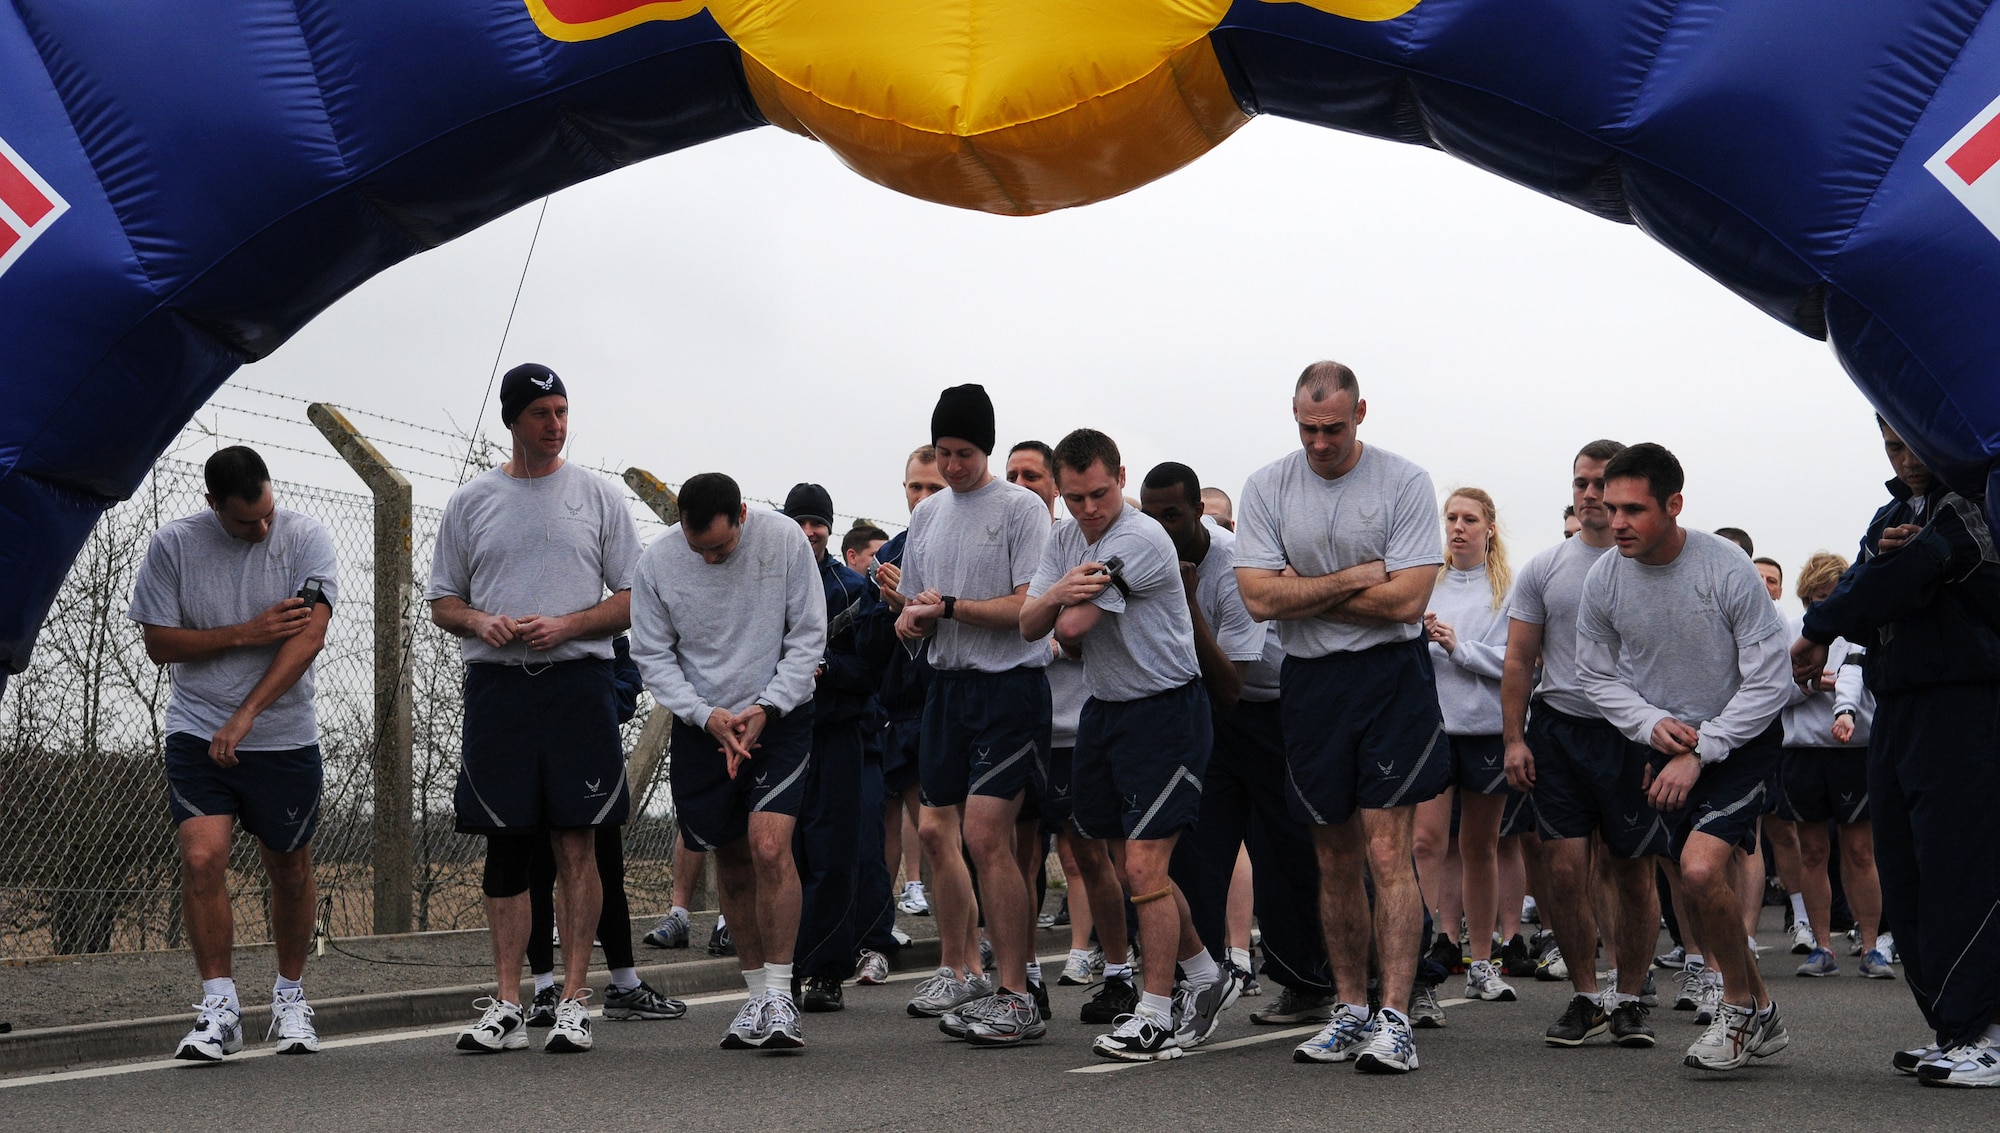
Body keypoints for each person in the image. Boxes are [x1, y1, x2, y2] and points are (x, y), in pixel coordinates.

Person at [1235, 361, 1448, 1075]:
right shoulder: (1267, 485)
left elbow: (1407, 602)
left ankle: (1396, 1018)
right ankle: (1350, 1009)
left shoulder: (1404, 481)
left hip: (1390, 678)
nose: (1320, 443)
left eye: (1332, 428)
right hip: (1310, 682)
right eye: (1308, 429)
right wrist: (1360, 574)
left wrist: (1305, 591)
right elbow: (1258, 599)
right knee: (1332, 855)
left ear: (1360, 412)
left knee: (1389, 853)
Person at [427, 364, 639, 1055]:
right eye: (542, 412)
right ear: (513, 420)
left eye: (562, 411)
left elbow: (633, 597)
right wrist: (479, 621)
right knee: (506, 845)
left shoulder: (599, 496)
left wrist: (569, 624)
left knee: (578, 842)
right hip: (500, 690)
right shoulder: (471, 502)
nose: (556, 425)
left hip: (579, 685)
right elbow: (442, 600)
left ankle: (575, 1000)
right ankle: (508, 1004)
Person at [1791, 417, 2000, 1086]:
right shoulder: (1888, 515)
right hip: (1898, 707)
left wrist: (1822, 624)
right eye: (1892, 446)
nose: (1906, 459)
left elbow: (1896, 578)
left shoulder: (1975, 500)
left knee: (1961, 868)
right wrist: (1862, 586)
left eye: (1915, 442)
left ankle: (1987, 1031)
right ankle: (1955, 1026)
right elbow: (1858, 586)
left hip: (1965, 703)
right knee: (1905, 871)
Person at [1575, 443, 1791, 1073]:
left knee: (1697, 873)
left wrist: (1704, 746)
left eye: (1633, 510)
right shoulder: (1605, 578)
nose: (1616, 521)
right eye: (1611, 507)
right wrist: (1650, 724)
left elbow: (1770, 679)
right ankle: (1763, 1009)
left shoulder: (1726, 568)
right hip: (1664, 746)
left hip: (1740, 740)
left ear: (1674, 505)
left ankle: (1737, 1008)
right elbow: (1595, 674)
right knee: (1697, 883)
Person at [1023, 430, 1232, 1060]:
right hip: (1105, 708)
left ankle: (1154, 1011)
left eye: (1100, 493)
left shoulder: (1140, 539)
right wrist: (1057, 591)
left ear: (1120, 477)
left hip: (1165, 710)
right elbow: (1029, 623)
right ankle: (1205, 973)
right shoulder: (1063, 539)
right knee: (1122, 866)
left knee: (1145, 868)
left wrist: (1056, 598)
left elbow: (1070, 626)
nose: (1089, 508)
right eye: (1075, 497)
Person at [129, 445, 336, 1061]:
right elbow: (159, 644)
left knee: (289, 869)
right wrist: (245, 633)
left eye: (268, 512)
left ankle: (290, 997)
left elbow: (310, 636)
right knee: (201, 859)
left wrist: (246, 715)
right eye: (247, 522)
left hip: (283, 736)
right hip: (197, 729)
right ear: (213, 504)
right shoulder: (173, 545)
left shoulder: (306, 538)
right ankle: (220, 1010)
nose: (263, 528)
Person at [630, 472, 825, 1050]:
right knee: (732, 859)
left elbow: (808, 635)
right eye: (699, 550)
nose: (710, 560)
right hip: (703, 725)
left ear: (742, 514)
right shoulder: (657, 562)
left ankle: (782, 995)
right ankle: (756, 993)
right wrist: (703, 714)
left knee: (769, 846)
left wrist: (768, 706)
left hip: (778, 716)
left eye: (720, 547)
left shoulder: (784, 540)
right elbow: (651, 654)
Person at [1142, 461, 1337, 1029]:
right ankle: (1195, 983)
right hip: (1208, 712)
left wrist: (1187, 601)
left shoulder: (1231, 563)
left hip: (1272, 709)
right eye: (1151, 517)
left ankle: (1310, 981)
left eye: (1172, 515)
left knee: (1289, 853)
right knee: (1195, 851)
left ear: (1199, 512)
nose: (1161, 529)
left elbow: (1232, 685)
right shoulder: (1147, 555)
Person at [889, 385, 1052, 1042]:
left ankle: (1018, 993)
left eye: (964, 453)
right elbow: (913, 610)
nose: (952, 466)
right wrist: (911, 620)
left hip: (1009, 688)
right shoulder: (928, 516)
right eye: (943, 453)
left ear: (985, 448)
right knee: (936, 832)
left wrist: (950, 607)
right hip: (946, 689)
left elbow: (1029, 609)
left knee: (987, 836)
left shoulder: (1021, 509)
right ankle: (961, 971)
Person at [1502, 439, 1664, 1050]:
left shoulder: (1652, 565)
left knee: (1633, 871)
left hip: (1633, 735)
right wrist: (1514, 740)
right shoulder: (1545, 568)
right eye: (1582, 484)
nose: (1591, 495)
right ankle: (1586, 996)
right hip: (1560, 730)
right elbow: (1519, 660)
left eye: (1602, 484)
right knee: (1564, 871)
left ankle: (1630, 998)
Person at [1009, 441, 1122, 1014]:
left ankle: (1110, 965)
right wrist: (1050, 603)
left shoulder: (1093, 538)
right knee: (1018, 854)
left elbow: (1071, 634)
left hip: (1080, 725)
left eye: (1032, 475)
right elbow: (1027, 623)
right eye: (1012, 474)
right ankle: (1024, 976)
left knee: (1087, 854)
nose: (1022, 485)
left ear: (1053, 486)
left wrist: (1051, 627)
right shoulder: (1032, 545)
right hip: (1026, 724)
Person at [524, 637, 686, 1027]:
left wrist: (588, 700)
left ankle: (624, 985)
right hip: (535, 754)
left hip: (590, 754)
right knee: (535, 871)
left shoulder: (607, 635)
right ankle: (543, 989)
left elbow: (627, 690)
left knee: (606, 868)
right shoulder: (529, 634)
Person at [1419, 488, 1524, 1005]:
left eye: (1469, 519)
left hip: (1485, 729)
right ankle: (1417, 957)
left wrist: (1458, 647)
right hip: (1432, 728)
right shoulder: (1427, 581)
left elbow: (1519, 663)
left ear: (1489, 527)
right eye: (1451, 518)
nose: (1457, 527)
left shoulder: (1509, 587)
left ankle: (1481, 961)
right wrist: (1417, 636)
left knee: (1480, 847)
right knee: (1425, 844)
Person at [781, 482, 882, 1011]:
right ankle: (782, 972)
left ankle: (825, 972)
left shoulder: (854, 590)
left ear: (830, 527)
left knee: (832, 856)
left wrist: (827, 667)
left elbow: (871, 670)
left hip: (837, 734)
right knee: (780, 854)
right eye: (799, 521)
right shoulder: (764, 583)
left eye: (817, 522)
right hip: (779, 736)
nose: (809, 532)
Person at [1775, 552, 1890, 980]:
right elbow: (1772, 691)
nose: (1823, 606)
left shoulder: (1862, 632)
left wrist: (1844, 703)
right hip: (1803, 752)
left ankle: (1872, 946)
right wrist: (1810, 685)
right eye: (1817, 598)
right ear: (1806, 597)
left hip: (1855, 750)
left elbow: (1867, 684)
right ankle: (1822, 947)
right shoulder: (1790, 632)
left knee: (1860, 851)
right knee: (1813, 852)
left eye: (1832, 596)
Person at [874, 448, 949, 924]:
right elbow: (874, 639)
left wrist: (914, 604)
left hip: (938, 701)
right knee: (884, 817)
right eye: (915, 487)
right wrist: (888, 607)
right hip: (892, 705)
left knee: (937, 827)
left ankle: (958, 939)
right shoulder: (889, 553)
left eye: (933, 488)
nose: (922, 497)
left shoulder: (960, 544)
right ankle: (880, 926)